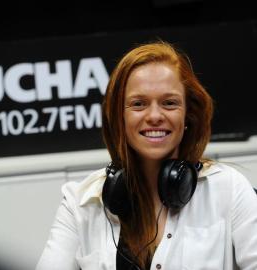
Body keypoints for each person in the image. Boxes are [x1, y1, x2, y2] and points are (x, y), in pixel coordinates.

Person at [36, 40, 257, 270]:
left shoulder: (228, 189)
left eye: (169, 103)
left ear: (188, 116)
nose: (154, 116)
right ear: (119, 117)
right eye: (139, 104)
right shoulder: (80, 203)